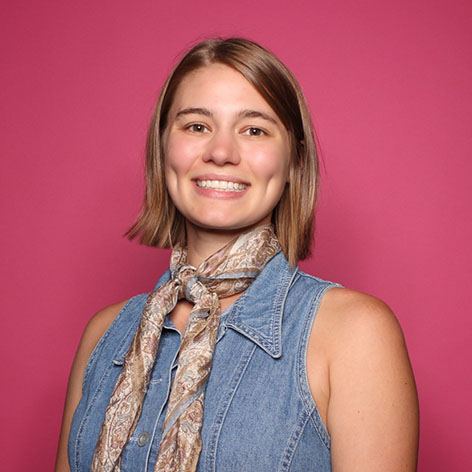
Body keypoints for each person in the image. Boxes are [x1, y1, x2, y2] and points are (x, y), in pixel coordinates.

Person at [55, 37, 419, 471]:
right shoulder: (106, 334)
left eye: (254, 130)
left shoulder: (354, 335)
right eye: (196, 126)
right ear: (163, 148)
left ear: (293, 163)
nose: (221, 153)